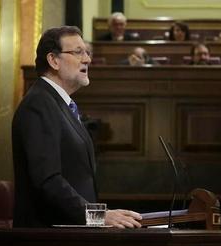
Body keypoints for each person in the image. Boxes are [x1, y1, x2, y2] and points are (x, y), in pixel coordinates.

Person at [12, 26, 142, 228]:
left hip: (71, 238)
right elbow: (48, 181)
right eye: (78, 52)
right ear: (53, 60)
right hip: (48, 243)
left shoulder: (59, 104)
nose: (87, 59)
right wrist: (99, 217)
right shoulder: (38, 104)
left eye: (87, 52)